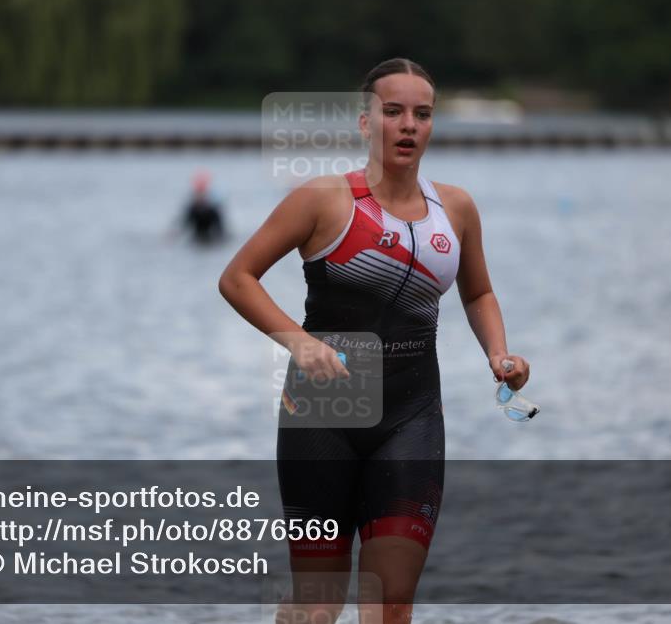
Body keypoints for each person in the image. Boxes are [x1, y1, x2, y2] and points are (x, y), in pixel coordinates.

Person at [218, 58, 530, 624]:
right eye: (393, 112)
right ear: (366, 122)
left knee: (390, 603)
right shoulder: (323, 199)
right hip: (325, 411)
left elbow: (479, 293)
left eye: (422, 114)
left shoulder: (456, 209)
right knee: (318, 606)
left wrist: (498, 354)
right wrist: (299, 343)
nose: (409, 125)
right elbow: (237, 278)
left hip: (412, 413)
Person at [180, 170, 226, 244]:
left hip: (210, 237)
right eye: (199, 194)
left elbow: (221, 230)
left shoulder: (213, 210)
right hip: (197, 238)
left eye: (202, 195)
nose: (201, 197)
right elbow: (184, 225)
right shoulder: (192, 209)